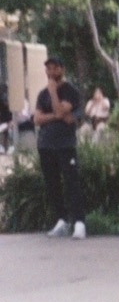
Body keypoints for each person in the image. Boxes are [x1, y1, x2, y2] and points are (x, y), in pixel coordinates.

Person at [33, 57, 87, 239]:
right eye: (48, 69)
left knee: (71, 183)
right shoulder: (42, 94)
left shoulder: (70, 91)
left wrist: (54, 93)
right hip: (46, 145)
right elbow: (37, 119)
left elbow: (60, 110)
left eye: (54, 68)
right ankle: (61, 220)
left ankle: (79, 222)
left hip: (65, 144)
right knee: (52, 184)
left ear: (62, 69)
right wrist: (57, 116)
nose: (50, 73)